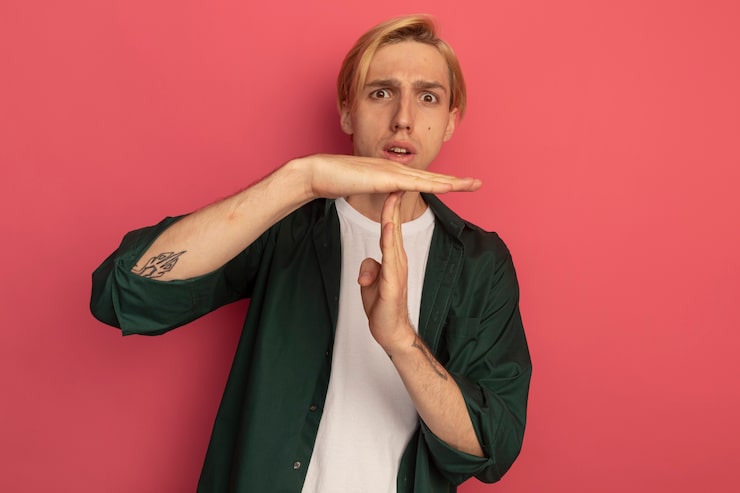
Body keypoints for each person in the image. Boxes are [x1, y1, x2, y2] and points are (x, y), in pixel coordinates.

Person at [91, 14, 531, 493]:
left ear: (450, 121)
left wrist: (402, 341)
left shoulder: (481, 262)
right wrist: (299, 181)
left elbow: (492, 446)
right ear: (347, 112)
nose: (403, 117)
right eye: (380, 92)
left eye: (428, 97)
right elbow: (125, 292)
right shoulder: (286, 224)